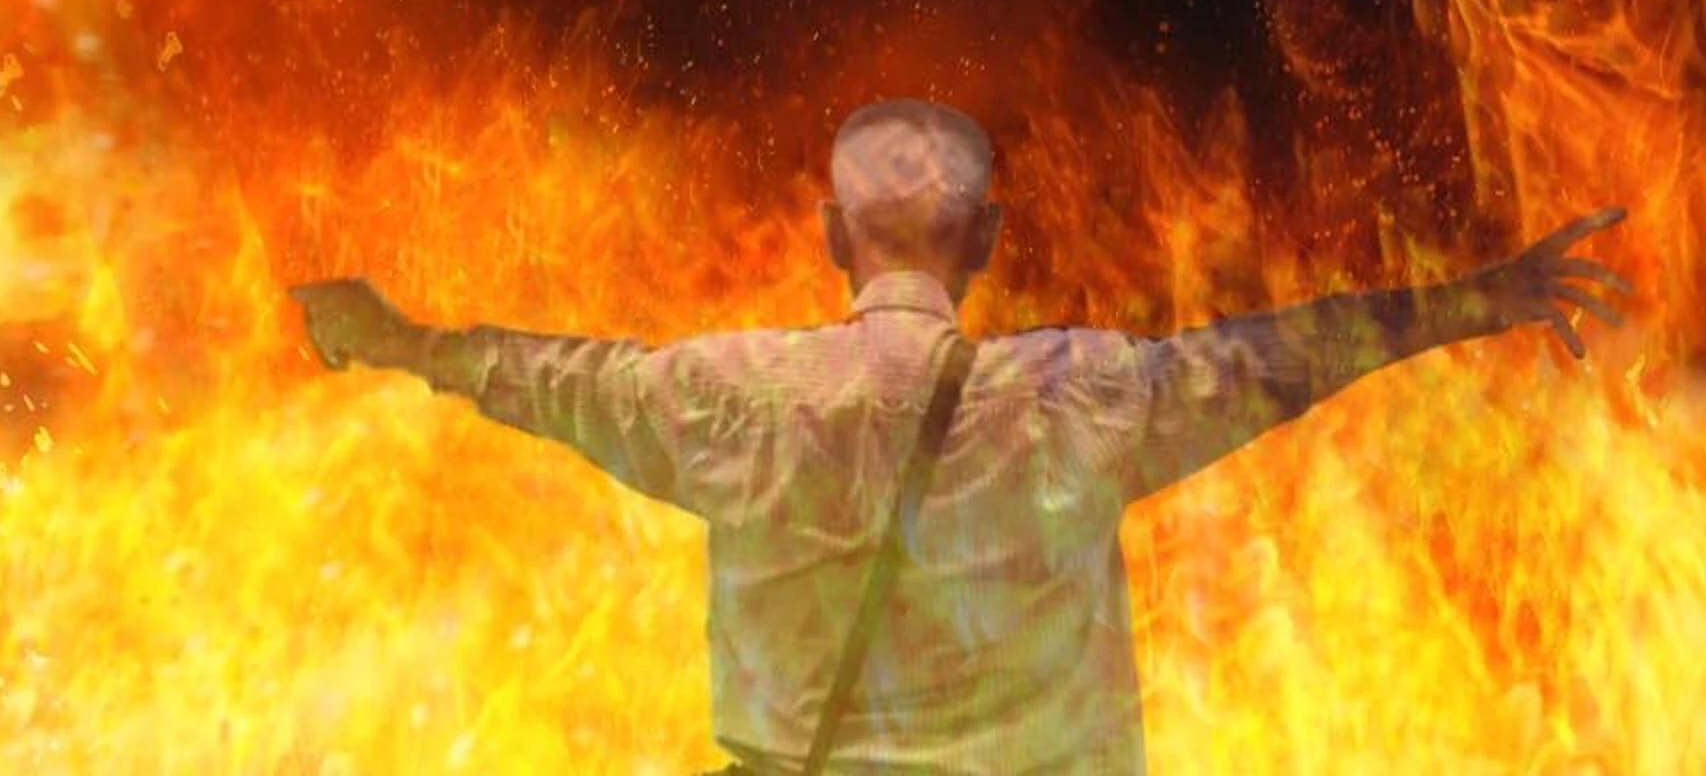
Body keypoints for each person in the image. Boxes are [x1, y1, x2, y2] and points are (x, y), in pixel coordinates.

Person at [289, 98, 1632, 775]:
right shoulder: (1080, 399)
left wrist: (402, 342)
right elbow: (1283, 357)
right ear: (987, 240)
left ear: (831, 235)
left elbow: (552, 379)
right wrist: (1482, 298)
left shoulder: (725, 399)